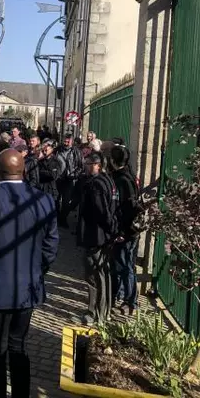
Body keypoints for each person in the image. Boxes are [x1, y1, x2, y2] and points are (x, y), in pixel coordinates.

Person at [0, 149, 59, 398]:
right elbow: (51, 245)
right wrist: (37, 271)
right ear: (24, 171)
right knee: (18, 345)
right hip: (26, 286)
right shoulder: (43, 201)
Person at [76, 152, 119, 325]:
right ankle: (103, 312)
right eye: (86, 162)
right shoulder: (108, 180)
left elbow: (103, 212)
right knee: (102, 274)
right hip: (103, 235)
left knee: (94, 275)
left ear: (98, 165)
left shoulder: (96, 185)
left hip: (96, 236)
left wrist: (111, 230)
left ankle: (96, 314)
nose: (86, 165)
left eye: (89, 163)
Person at [109, 145, 140, 316]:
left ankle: (131, 302)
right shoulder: (126, 175)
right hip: (123, 229)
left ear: (113, 161)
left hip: (127, 231)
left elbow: (129, 209)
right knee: (120, 265)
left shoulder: (124, 180)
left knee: (127, 266)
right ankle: (119, 295)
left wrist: (123, 232)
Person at [57, 133, 84, 226]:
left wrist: (74, 175)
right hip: (58, 178)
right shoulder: (58, 150)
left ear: (72, 141)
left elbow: (81, 166)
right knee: (56, 200)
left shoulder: (76, 152)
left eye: (68, 141)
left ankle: (63, 219)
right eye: (65, 140)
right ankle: (56, 219)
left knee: (66, 201)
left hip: (69, 180)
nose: (66, 142)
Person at [37, 139, 63, 215]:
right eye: (43, 150)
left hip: (52, 189)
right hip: (41, 188)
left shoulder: (56, 161)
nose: (44, 152)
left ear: (52, 150)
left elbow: (53, 175)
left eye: (46, 150)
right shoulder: (40, 161)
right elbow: (36, 173)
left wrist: (42, 172)